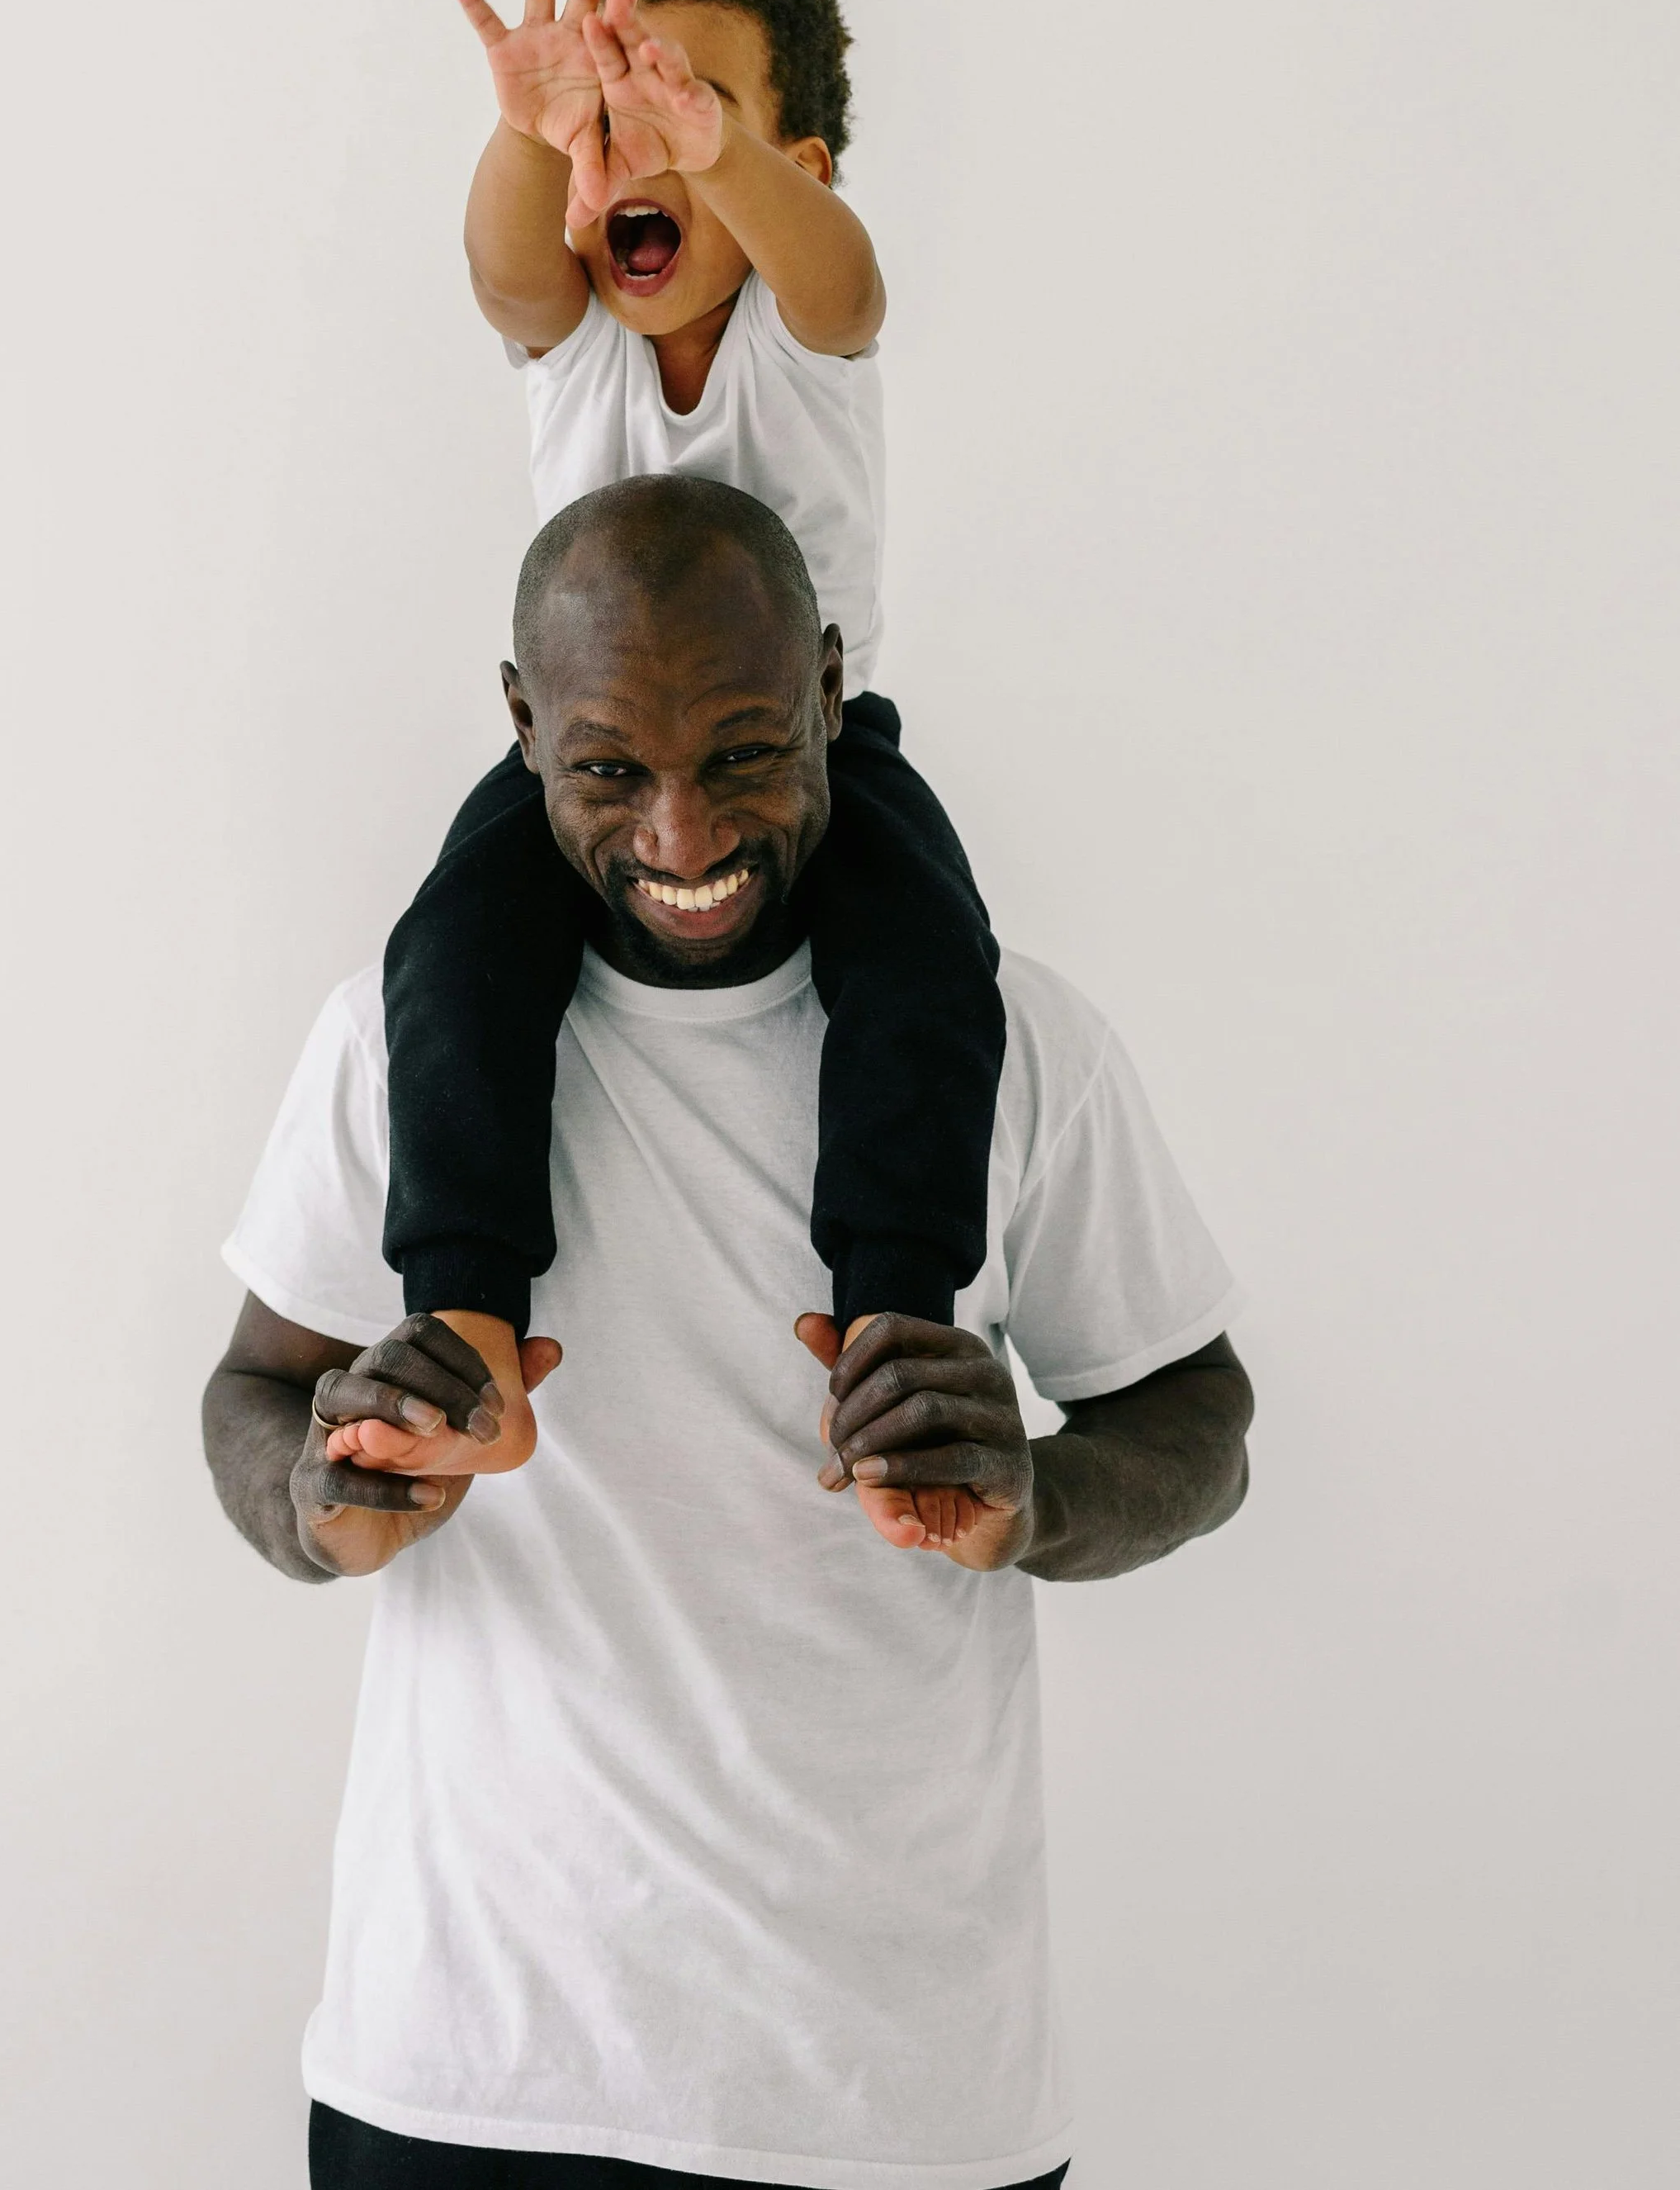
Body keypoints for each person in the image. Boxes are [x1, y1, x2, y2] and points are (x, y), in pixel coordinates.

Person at [205, 476, 1253, 2190]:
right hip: (462, 2081)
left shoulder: (1012, 1045)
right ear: (518, 725)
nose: (682, 840)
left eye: (748, 755)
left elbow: (1196, 1414)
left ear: (835, 695)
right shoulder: (400, 1043)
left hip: (895, 2106)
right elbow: (252, 1391)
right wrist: (325, 1495)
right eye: (610, 769)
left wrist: (1037, 1498)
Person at [382, 0, 1006, 1521]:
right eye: (617, 102)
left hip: (802, 758)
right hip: (581, 773)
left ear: (783, 165)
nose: (638, 148)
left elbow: (846, 281)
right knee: (450, 964)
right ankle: (465, 1331)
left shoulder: (798, 337)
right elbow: (507, 270)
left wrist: (715, 157)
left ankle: (890, 1320)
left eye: (690, 108)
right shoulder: (577, 342)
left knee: (926, 970)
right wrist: (535, 130)